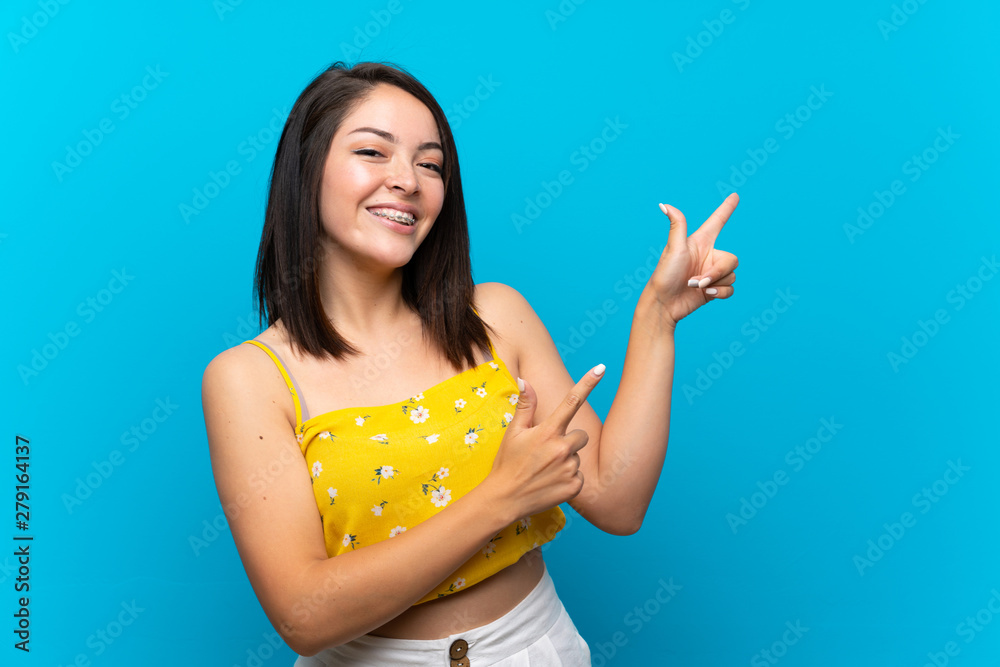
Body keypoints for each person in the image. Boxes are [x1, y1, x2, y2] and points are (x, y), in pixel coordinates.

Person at [201, 60, 739, 666]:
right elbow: (303, 615)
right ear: (306, 171)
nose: (407, 180)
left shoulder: (495, 317)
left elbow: (617, 499)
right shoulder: (249, 379)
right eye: (373, 153)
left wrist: (658, 317)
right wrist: (501, 498)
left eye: (430, 164)